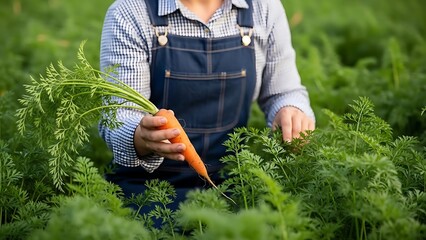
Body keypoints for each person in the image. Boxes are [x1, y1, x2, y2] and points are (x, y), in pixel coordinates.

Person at [99, 0, 315, 214]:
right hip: (147, 193)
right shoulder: (130, 11)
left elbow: (284, 92)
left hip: (233, 188)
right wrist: (141, 136)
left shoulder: (263, 7)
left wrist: (290, 110)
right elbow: (119, 115)